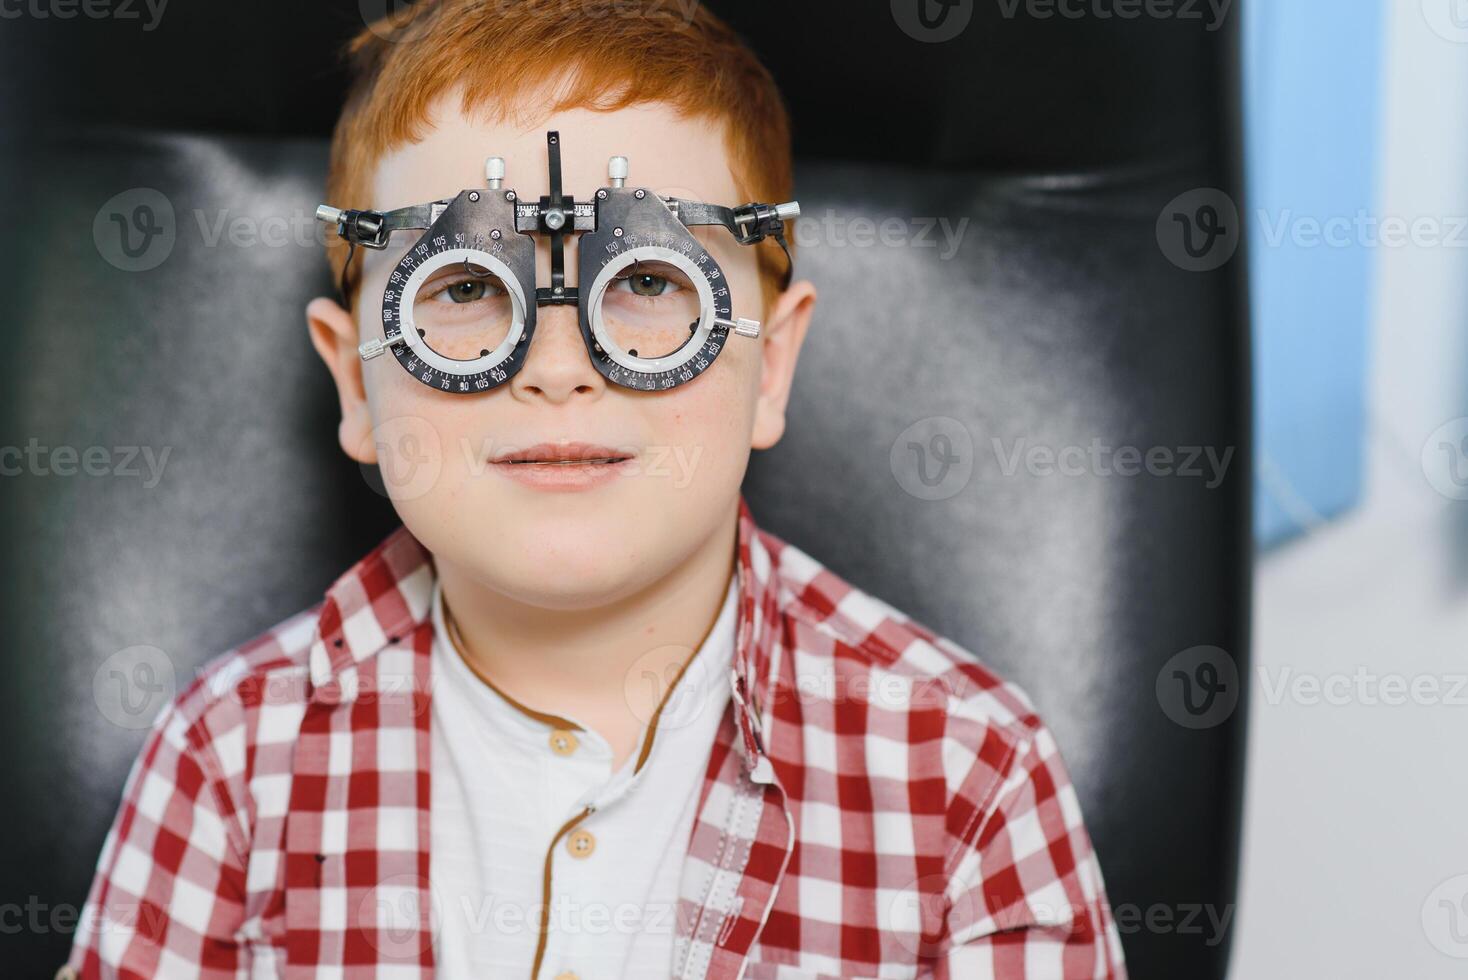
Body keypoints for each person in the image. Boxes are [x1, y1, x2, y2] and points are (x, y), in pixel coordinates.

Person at [62, 1, 1126, 977]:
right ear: (353, 383)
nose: (559, 365)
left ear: (774, 363)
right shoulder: (230, 758)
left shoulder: (965, 774)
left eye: (652, 282)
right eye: (467, 287)